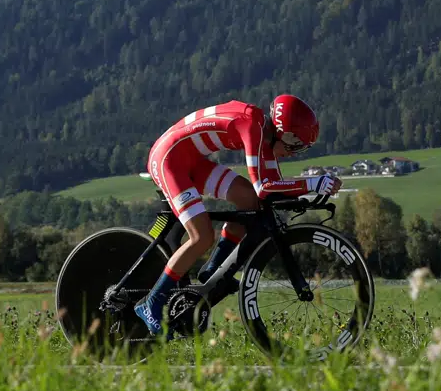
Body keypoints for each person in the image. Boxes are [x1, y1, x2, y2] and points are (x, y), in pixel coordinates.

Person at [134, 94, 340, 336]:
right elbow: (264, 186)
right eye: (296, 145)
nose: (294, 153)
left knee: (249, 201)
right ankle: (152, 302)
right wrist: (312, 183)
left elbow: (270, 189)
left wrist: (304, 196)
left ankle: (213, 270)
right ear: (284, 132)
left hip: (191, 159)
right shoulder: (252, 127)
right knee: (202, 236)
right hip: (169, 159)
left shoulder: (266, 135)